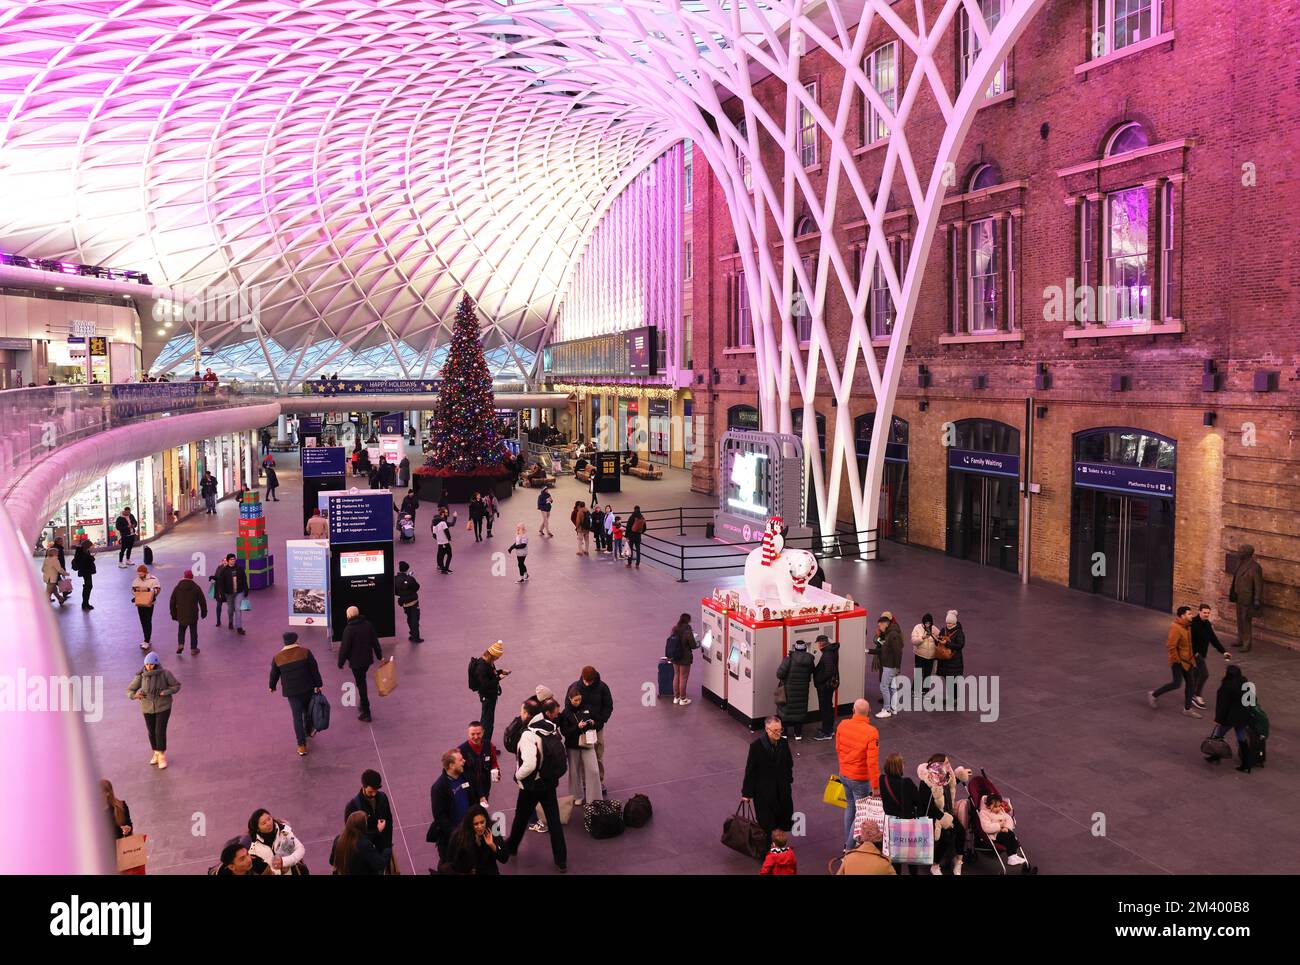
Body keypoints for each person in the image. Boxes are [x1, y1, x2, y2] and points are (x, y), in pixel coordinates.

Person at [503, 699, 569, 872]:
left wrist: (518, 776)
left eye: (522, 712)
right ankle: (561, 860)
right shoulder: (548, 725)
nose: (520, 715)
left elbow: (530, 764)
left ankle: (511, 846)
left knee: (521, 816)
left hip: (532, 785)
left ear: (527, 714)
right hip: (549, 782)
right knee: (554, 821)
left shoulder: (528, 735)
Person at [833, 698, 880, 851]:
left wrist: (845, 766)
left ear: (853, 710)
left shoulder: (842, 725)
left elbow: (838, 749)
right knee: (861, 813)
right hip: (860, 780)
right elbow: (872, 762)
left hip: (844, 774)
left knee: (850, 807)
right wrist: (876, 786)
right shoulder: (871, 732)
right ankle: (849, 846)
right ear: (869, 712)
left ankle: (848, 843)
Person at [269, 631, 324, 756]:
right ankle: (308, 730)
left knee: (297, 717)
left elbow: (274, 674)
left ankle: (301, 746)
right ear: (296, 640)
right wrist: (319, 685)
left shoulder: (278, 657)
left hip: (292, 692)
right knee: (308, 710)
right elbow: (314, 669)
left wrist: (272, 686)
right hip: (307, 688)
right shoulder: (305, 652)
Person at [741, 716, 794, 840]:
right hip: (764, 793)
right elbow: (750, 771)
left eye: (780, 730)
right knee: (767, 823)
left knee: (783, 819)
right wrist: (746, 793)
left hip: (782, 790)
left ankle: (780, 846)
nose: (778, 733)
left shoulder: (784, 743)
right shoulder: (756, 747)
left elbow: (789, 763)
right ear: (766, 729)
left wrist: (788, 779)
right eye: (775, 731)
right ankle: (767, 850)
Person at [127, 651, 181, 769]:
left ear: (156, 664)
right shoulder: (141, 676)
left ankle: (161, 755)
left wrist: (165, 692)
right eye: (147, 664)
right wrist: (135, 695)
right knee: (151, 731)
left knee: (159, 730)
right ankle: (156, 752)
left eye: (151, 664)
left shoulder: (165, 674)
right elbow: (129, 690)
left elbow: (176, 686)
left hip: (163, 706)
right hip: (147, 707)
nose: (148, 667)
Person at [1148, 605, 1201, 718]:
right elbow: (1171, 646)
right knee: (1176, 684)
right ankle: (1153, 694)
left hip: (1188, 660)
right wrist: (1178, 660)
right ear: (1183, 616)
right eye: (1189, 614)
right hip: (1178, 662)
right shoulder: (1175, 627)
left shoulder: (1187, 626)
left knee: (1191, 684)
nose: (1191, 615)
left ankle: (1187, 709)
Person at [918, 755, 965, 875]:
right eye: (946, 762)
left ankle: (958, 860)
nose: (949, 765)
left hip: (947, 813)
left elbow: (948, 789)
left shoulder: (946, 775)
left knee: (961, 831)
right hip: (934, 817)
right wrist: (943, 818)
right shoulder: (926, 782)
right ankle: (935, 865)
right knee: (946, 837)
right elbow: (926, 805)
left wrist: (960, 777)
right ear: (938, 765)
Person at [878, 753, 922, 875]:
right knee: (911, 857)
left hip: (890, 824)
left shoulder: (882, 780)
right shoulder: (906, 783)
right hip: (906, 823)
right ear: (899, 767)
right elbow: (918, 800)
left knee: (895, 859)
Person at [558, 684, 602, 806]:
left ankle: (594, 798)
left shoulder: (588, 708)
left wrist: (593, 723)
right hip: (573, 746)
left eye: (580, 699)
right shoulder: (566, 713)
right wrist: (577, 727)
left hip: (588, 743)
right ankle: (576, 795)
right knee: (574, 771)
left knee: (593, 770)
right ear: (570, 699)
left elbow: (599, 721)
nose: (578, 702)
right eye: (575, 700)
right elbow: (565, 732)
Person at [428, 749, 473, 864]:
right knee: (450, 864)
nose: (464, 761)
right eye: (460, 760)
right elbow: (440, 817)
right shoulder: (439, 788)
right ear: (452, 765)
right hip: (451, 838)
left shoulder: (463, 776)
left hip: (467, 830)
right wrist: (456, 834)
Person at [338, 605, 383, 722]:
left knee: (361, 684)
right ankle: (363, 703)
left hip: (356, 663)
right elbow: (375, 641)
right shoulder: (368, 625)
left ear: (348, 615)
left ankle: (366, 711)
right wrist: (379, 655)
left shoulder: (349, 629)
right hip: (367, 660)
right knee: (361, 681)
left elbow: (345, 648)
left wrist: (340, 663)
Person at [572, 666, 613, 790]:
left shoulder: (602, 688)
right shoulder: (575, 688)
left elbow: (608, 706)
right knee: (585, 754)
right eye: (586, 680)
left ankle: (599, 781)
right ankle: (585, 782)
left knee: (598, 754)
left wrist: (601, 721)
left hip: (597, 727)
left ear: (594, 678)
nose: (588, 683)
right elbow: (569, 706)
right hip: (584, 729)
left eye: (590, 681)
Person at [1209, 664, 1255, 772]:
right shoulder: (1245, 681)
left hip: (1230, 717)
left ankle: (1215, 756)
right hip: (1243, 715)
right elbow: (1251, 698)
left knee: (1218, 735)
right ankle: (1246, 763)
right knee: (1241, 738)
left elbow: (1222, 705)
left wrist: (1218, 719)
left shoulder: (1226, 685)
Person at [343, 770, 395, 860]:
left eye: (376, 790)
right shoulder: (352, 806)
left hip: (382, 847)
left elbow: (389, 821)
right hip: (365, 853)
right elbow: (352, 835)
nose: (374, 794)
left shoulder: (383, 797)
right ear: (363, 786)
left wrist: (388, 844)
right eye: (370, 791)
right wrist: (377, 830)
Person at [444, 805, 508, 875]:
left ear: (486, 820)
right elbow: (454, 863)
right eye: (476, 824)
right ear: (470, 824)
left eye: (482, 822)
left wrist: (492, 845)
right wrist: (473, 845)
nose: (480, 827)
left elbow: (504, 858)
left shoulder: (493, 828)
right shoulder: (459, 836)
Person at [245, 809, 307, 875]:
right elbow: (258, 870)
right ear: (257, 828)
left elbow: (300, 849)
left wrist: (284, 862)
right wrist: (279, 872)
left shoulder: (284, 831)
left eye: (269, 819)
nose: (268, 823)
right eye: (264, 823)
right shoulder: (253, 847)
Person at [1190, 603, 1229, 708]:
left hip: (1202, 654)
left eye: (1208, 613)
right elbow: (1188, 640)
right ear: (1199, 612)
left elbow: (1213, 639)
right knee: (1204, 674)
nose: (1206, 614)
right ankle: (1196, 695)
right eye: (1204, 612)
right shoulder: (1193, 623)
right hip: (1195, 655)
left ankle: (1191, 694)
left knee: (1196, 675)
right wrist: (1194, 653)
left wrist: (1223, 651)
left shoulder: (1207, 624)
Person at [775, 638, 815, 740]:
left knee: (785, 710)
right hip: (803, 689)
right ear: (805, 649)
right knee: (799, 710)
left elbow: (779, 674)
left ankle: (784, 734)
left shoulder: (788, 659)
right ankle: (798, 734)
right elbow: (812, 671)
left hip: (788, 690)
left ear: (795, 649)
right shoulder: (810, 660)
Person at [471, 642, 509, 744]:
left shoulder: (488, 662)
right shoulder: (482, 667)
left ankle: (484, 743)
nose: (497, 659)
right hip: (487, 697)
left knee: (487, 721)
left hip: (490, 696)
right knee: (487, 723)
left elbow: (490, 675)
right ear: (492, 655)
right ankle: (485, 745)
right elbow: (484, 685)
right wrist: (498, 678)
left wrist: (500, 671)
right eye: (497, 657)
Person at [330, 811, 391, 875]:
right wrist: (387, 849)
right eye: (366, 822)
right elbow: (380, 864)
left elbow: (331, 861)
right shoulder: (364, 845)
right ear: (362, 826)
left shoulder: (338, 839)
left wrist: (378, 831)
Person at [1230, 544, 1264, 652]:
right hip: (1238, 596)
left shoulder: (1255, 567)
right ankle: (1240, 639)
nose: (1238, 553)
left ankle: (1247, 643)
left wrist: (1257, 599)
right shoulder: (1239, 563)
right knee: (1239, 619)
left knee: (1246, 620)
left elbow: (1258, 584)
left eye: (1240, 551)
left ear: (1246, 553)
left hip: (1247, 598)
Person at [458, 721, 500, 805]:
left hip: (485, 786)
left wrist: (497, 772)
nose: (476, 737)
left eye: (478, 733)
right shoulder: (461, 750)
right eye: (472, 734)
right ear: (468, 734)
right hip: (470, 789)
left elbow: (494, 762)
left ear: (483, 732)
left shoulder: (489, 745)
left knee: (482, 809)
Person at [978, 794, 1026, 865]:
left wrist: (1006, 827)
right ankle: (1011, 857)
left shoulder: (1000, 811)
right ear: (988, 805)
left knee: (1011, 834)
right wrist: (999, 827)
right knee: (1007, 836)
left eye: (999, 806)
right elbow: (986, 827)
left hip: (1004, 830)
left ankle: (1014, 855)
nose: (998, 808)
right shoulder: (984, 813)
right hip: (994, 834)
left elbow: (1009, 819)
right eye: (995, 807)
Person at [872, 611, 904, 719]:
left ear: (886, 623)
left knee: (884, 686)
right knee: (892, 687)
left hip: (889, 666)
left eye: (880, 624)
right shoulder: (891, 632)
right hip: (890, 665)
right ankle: (893, 708)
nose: (879, 627)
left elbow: (898, 652)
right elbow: (885, 649)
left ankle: (887, 709)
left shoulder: (892, 634)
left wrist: (897, 667)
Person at [169, 569, 208, 655]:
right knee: (193, 631)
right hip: (193, 614)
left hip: (181, 614)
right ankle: (193, 649)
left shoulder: (177, 588)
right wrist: (204, 612)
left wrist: (173, 614)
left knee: (181, 630)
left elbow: (172, 602)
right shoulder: (196, 587)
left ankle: (181, 644)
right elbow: (202, 601)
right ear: (192, 577)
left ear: (184, 576)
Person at [211, 553, 249, 635]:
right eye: (231, 559)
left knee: (238, 609)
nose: (233, 560)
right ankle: (230, 621)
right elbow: (221, 583)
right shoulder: (224, 571)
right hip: (229, 594)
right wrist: (222, 593)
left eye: (234, 559)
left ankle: (239, 627)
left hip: (239, 592)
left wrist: (246, 589)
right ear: (228, 561)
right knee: (230, 609)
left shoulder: (240, 569)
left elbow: (244, 579)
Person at [811, 634, 840, 740]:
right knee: (828, 706)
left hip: (825, 686)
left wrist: (819, 680)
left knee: (825, 708)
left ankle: (826, 732)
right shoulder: (831, 651)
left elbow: (828, 671)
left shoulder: (827, 654)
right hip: (829, 685)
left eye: (818, 643)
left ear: (821, 643)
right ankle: (829, 729)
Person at [666, 613, 698, 705]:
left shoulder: (674, 629)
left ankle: (676, 698)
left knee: (676, 675)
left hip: (675, 657)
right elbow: (693, 645)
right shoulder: (687, 631)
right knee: (683, 678)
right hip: (684, 658)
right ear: (688, 620)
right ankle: (683, 699)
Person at [935, 609, 965, 708]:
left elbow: (960, 645)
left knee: (953, 680)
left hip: (954, 661)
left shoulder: (959, 633)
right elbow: (940, 638)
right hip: (945, 660)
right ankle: (950, 697)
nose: (948, 625)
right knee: (947, 680)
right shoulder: (944, 630)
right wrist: (938, 639)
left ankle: (954, 699)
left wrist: (947, 643)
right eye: (947, 623)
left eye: (950, 624)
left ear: (954, 623)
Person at [130, 564, 162, 650]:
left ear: (145, 572)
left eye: (141, 574)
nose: (139, 575)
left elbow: (157, 589)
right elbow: (133, 590)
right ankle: (146, 639)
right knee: (142, 621)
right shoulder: (136, 580)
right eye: (138, 574)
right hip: (140, 603)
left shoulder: (153, 579)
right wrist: (137, 592)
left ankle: (147, 640)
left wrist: (149, 592)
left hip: (149, 603)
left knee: (147, 620)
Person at [910, 612, 940, 683]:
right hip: (919, 655)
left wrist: (937, 637)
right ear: (923, 622)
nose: (927, 625)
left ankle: (925, 691)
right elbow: (913, 641)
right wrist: (922, 638)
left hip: (931, 657)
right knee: (918, 674)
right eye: (926, 623)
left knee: (928, 675)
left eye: (929, 623)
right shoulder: (917, 628)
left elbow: (939, 638)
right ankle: (915, 691)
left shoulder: (934, 629)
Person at [71, 536, 96, 610]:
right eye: (90, 546)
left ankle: (85, 603)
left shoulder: (82, 551)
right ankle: (85, 603)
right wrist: (92, 558)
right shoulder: (82, 552)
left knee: (88, 586)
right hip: (86, 571)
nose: (90, 548)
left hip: (85, 571)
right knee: (88, 586)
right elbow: (84, 561)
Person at [432, 508, 454, 573]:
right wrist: (449, 538)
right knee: (449, 555)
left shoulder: (434, 525)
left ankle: (442, 568)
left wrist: (438, 539)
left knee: (441, 555)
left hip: (439, 543)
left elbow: (434, 535)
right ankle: (446, 568)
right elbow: (446, 531)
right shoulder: (443, 523)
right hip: (445, 542)